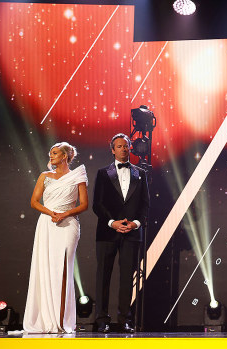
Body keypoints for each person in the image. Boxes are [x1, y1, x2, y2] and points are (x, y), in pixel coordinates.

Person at [23, 142, 88, 333]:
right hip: (47, 224)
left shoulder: (78, 175)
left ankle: (61, 321)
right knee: (45, 269)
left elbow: (83, 204)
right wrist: (51, 213)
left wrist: (65, 214)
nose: (51, 156)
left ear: (65, 156)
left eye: (55, 153)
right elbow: (34, 202)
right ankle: (45, 320)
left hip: (68, 225)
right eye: (50, 153)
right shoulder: (45, 176)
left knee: (63, 270)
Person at [93, 133, 149, 333]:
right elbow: (97, 204)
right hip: (107, 232)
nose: (123, 149)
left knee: (127, 278)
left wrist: (134, 224)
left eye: (126, 146)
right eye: (119, 146)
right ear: (112, 149)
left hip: (131, 233)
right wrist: (112, 222)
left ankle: (125, 319)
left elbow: (145, 205)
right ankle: (102, 320)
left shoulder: (140, 173)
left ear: (130, 148)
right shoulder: (102, 173)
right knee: (103, 277)